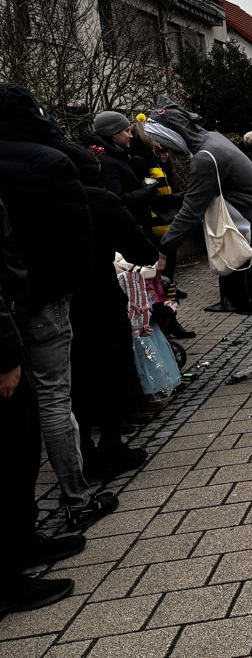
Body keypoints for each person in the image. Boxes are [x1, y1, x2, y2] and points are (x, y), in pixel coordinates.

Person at [0, 85, 119, 531]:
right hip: (46, 296)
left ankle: (23, 520)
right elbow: (76, 239)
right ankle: (75, 496)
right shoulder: (52, 160)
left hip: (6, 300)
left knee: (17, 411)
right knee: (54, 395)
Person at [148, 106, 252, 387]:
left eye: (159, 138)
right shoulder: (212, 141)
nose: (160, 146)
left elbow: (192, 209)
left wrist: (165, 248)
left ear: (172, 133)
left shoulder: (206, 156)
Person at [0, 196, 83, 617]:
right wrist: (5, 353)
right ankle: (7, 577)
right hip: (18, 317)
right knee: (14, 450)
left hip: (22, 306)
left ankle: (23, 542)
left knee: (23, 445)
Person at [67, 145, 154, 480]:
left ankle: (80, 451)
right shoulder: (100, 200)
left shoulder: (40, 198)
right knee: (111, 366)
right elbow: (141, 250)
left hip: (52, 299)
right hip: (99, 295)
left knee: (71, 376)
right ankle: (112, 445)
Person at [85, 111, 155, 228]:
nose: (131, 135)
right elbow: (117, 200)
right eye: (127, 131)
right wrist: (145, 190)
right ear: (113, 133)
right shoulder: (107, 162)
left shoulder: (119, 156)